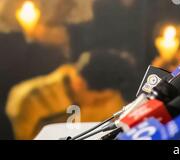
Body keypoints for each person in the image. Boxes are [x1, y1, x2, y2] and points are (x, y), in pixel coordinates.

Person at [5, 49, 138, 140]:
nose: (102, 105)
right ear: (80, 83)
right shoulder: (30, 100)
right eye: (97, 101)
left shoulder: (110, 95)